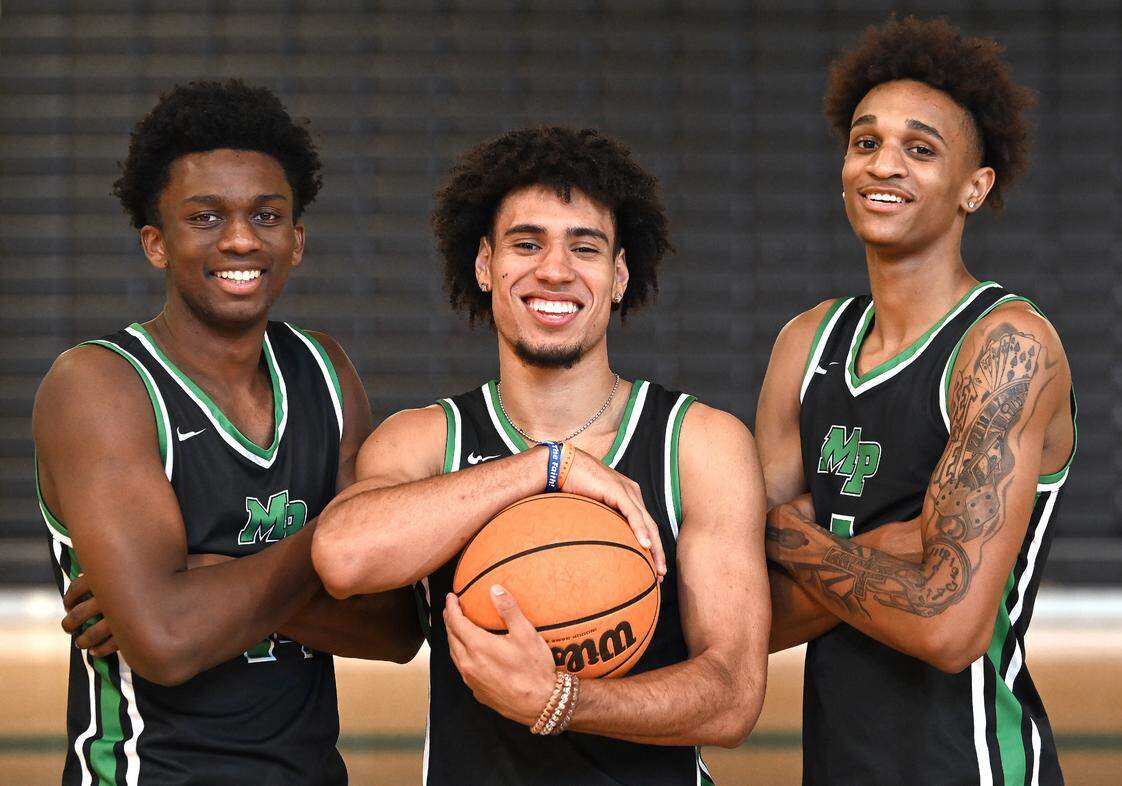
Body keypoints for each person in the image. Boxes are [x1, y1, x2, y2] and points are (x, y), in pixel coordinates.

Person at [312, 126, 769, 785]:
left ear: (618, 276)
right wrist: (545, 467)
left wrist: (562, 701)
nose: (554, 269)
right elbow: (342, 556)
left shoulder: (699, 444)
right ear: (483, 265)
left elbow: (731, 697)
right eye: (527, 244)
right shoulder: (425, 441)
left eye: (585, 248)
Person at [33, 80, 423, 785]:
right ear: (156, 242)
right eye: (206, 216)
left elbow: (395, 627)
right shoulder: (99, 386)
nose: (241, 238)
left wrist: (208, 575)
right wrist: (341, 544)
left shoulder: (326, 373)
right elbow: (167, 641)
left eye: (266, 216)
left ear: (296, 240)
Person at [755, 16, 1077, 786]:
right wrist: (894, 550)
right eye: (866, 142)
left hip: (974, 766)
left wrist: (790, 537)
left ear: (976, 186)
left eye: (920, 149)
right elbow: (745, 614)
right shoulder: (806, 344)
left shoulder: (1007, 349)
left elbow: (949, 625)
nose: (882, 165)